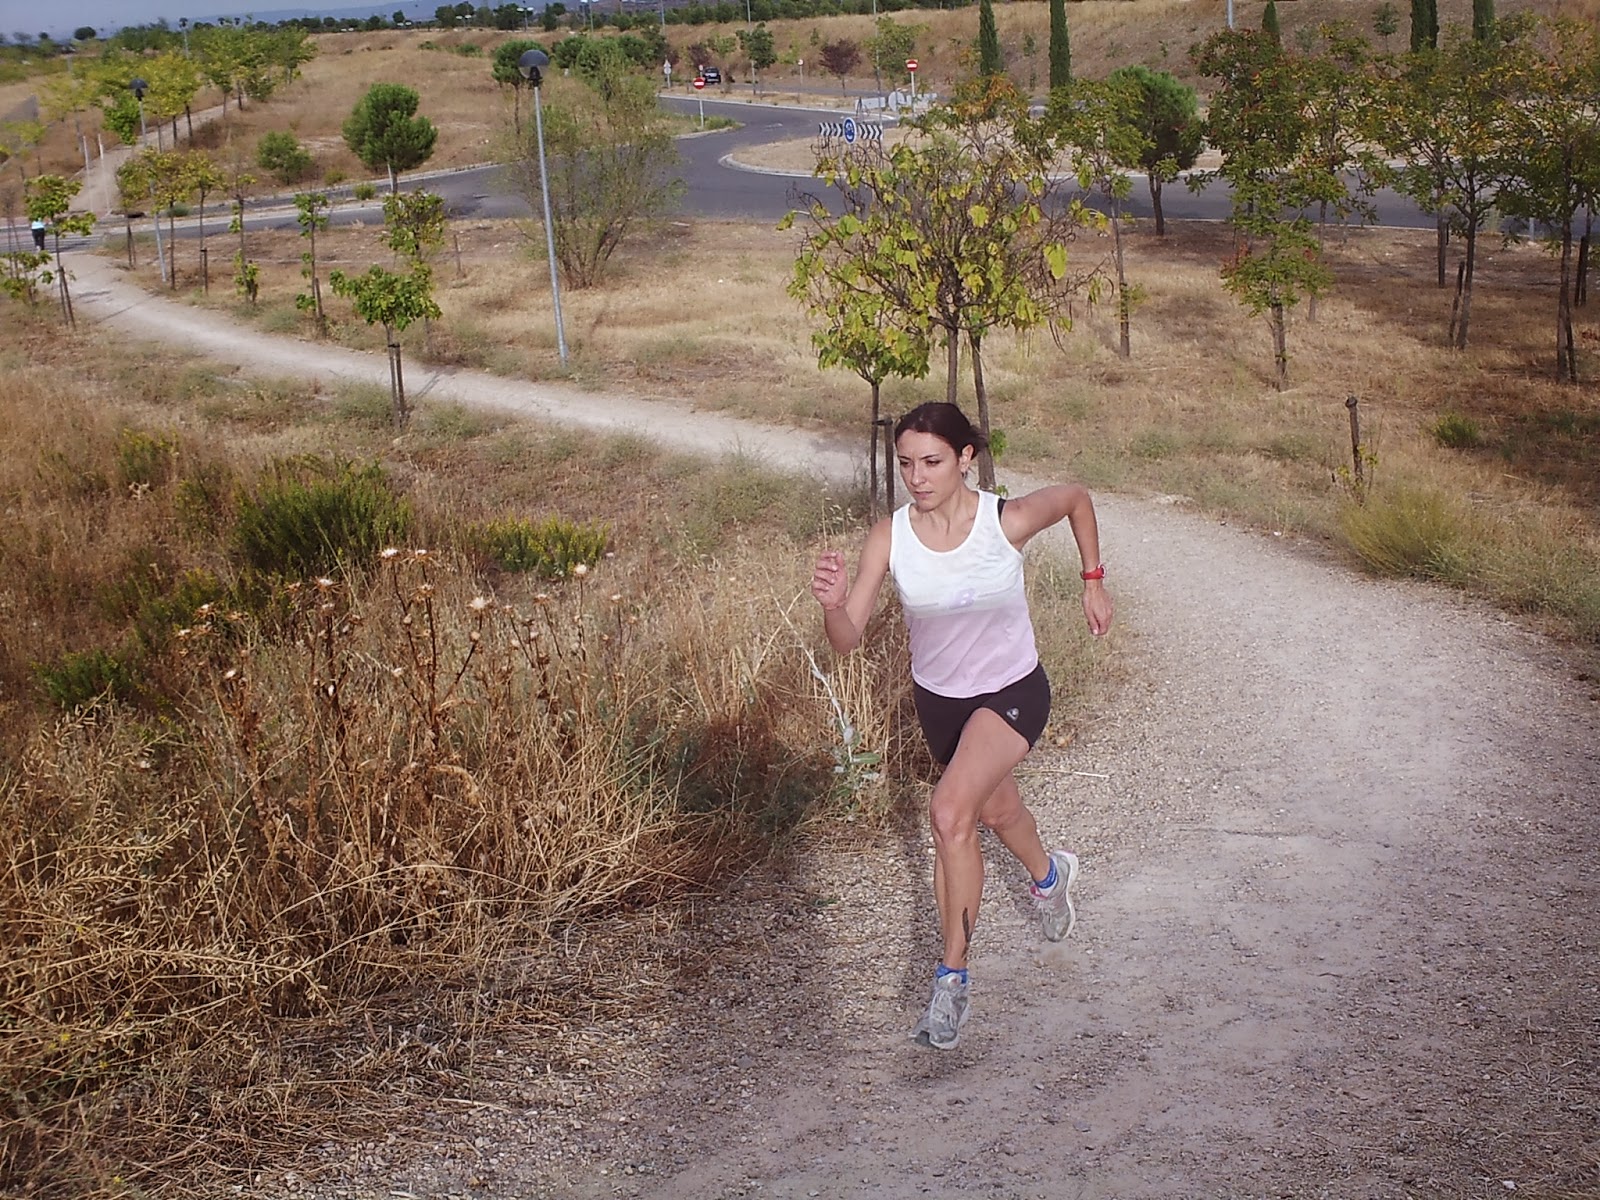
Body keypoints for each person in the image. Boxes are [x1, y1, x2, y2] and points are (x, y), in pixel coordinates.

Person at [810, 401, 1113, 1051]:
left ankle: (952, 980)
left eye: (932, 462)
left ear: (965, 458)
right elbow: (846, 638)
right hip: (941, 705)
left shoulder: (1004, 521)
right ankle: (1051, 878)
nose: (917, 477)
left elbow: (1077, 499)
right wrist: (834, 606)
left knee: (950, 814)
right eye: (906, 464)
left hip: (1012, 693)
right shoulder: (890, 536)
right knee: (997, 810)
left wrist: (1093, 582)